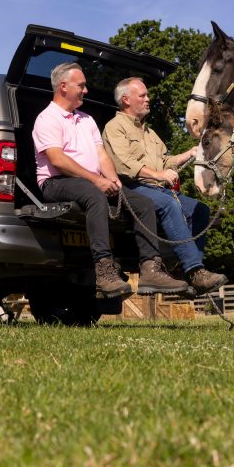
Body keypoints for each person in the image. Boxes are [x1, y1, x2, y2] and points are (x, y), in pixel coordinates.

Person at [33, 63, 188, 298]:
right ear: (63, 87)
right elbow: (57, 160)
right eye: (81, 86)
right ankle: (104, 271)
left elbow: (102, 155)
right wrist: (97, 180)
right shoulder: (47, 118)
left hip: (91, 181)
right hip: (57, 182)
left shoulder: (86, 120)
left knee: (143, 204)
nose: (86, 91)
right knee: (94, 195)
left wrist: (114, 181)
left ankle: (150, 270)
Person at [103, 77, 227, 296]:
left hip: (156, 189)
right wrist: (158, 175)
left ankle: (187, 271)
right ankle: (196, 271)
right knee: (170, 204)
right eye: (142, 95)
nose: (148, 99)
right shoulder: (114, 127)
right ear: (126, 100)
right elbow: (123, 164)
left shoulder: (150, 133)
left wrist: (188, 154)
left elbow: (166, 161)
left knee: (201, 211)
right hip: (132, 187)